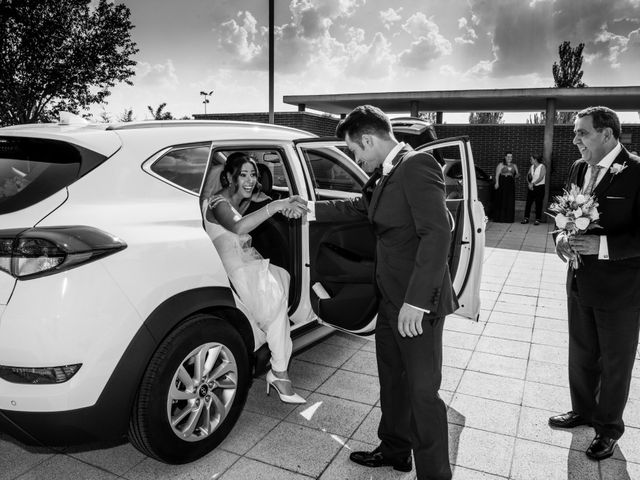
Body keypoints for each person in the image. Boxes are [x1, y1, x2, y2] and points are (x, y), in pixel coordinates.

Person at [305, 105, 457, 480]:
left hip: (415, 305)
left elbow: (437, 234)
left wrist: (417, 302)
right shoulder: (387, 172)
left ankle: (435, 474)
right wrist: (308, 207)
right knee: (392, 379)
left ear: (369, 139)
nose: (355, 157)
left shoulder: (418, 165)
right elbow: (363, 207)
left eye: (355, 150)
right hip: (389, 298)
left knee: (422, 393)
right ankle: (395, 450)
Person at [550, 106, 640, 461]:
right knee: (581, 352)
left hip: (621, 288)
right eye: (575, 133)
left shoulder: (637, 171)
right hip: (579, 279)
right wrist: (561, 236)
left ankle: (608, 429)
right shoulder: (578, 168)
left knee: (615, 361)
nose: (575, 140)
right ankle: (583, 411)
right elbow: (567, 217)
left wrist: (602, 246)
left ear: (607, 134)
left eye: (582, 133)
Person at [201, 152, 308, 404]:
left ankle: (276, 363)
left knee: (281, 280)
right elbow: (239, 227)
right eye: (243, 175)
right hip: (232, 268)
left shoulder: (241, 198)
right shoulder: (217, 203)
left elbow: (261, 200)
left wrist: (287, 202)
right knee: (274, 302)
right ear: (228, 177)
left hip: (243, 262)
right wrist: (277, 206)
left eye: (253, 175)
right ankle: (279, 372)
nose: (249, 181)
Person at [492, 151, 519, 222]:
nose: (510, 158)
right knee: (501, 199)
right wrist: (497, 183)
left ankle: (508, 218)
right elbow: (497, 174)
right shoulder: (501, 164)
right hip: (502, 182)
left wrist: (517, 175)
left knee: (510, 199)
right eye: (508, 157)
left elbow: (516, 175)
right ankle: (500, 218)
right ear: (505, 157)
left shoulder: (514, 165)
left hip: (510, 183)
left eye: (511, 157)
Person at [521, 153, 546, 225]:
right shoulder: (531, 167)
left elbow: (541, 177)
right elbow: (528, 176)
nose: (530, 160)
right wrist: (529, 183)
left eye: (531, 159)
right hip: (531, 187)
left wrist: (533, 184)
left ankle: (538, 219)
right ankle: (526, 218)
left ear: (535, 160)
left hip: (540, 187)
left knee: (538, 203)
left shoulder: (542, 166)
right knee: (528, 203)